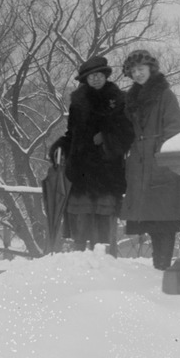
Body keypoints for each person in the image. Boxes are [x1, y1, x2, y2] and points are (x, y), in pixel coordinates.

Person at [49, 56, 135, 253]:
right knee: (81, 219)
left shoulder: (119, 100)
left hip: (107, 170)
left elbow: (128, 133)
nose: (95, 79)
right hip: (81, 171)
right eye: (91, 76)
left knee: (104, 222)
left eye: (99, 75)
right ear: (85, 80)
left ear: (105, 76)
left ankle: (105, 258)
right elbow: (72, 134)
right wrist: (60, 146)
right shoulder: (78, 103)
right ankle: (79, 259)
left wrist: (106, 137)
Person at [121, 49, 180, 270]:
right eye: (133, 71)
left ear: (151, 69)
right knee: (150, 221)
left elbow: (175, 129)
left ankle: (163, 269)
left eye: (141, 69)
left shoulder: (165, 95)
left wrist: (159, 155)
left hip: (160, 166)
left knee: (164, 223)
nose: (137, 74)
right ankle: (157, 270)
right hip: (140, 167)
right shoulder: (132, 99)